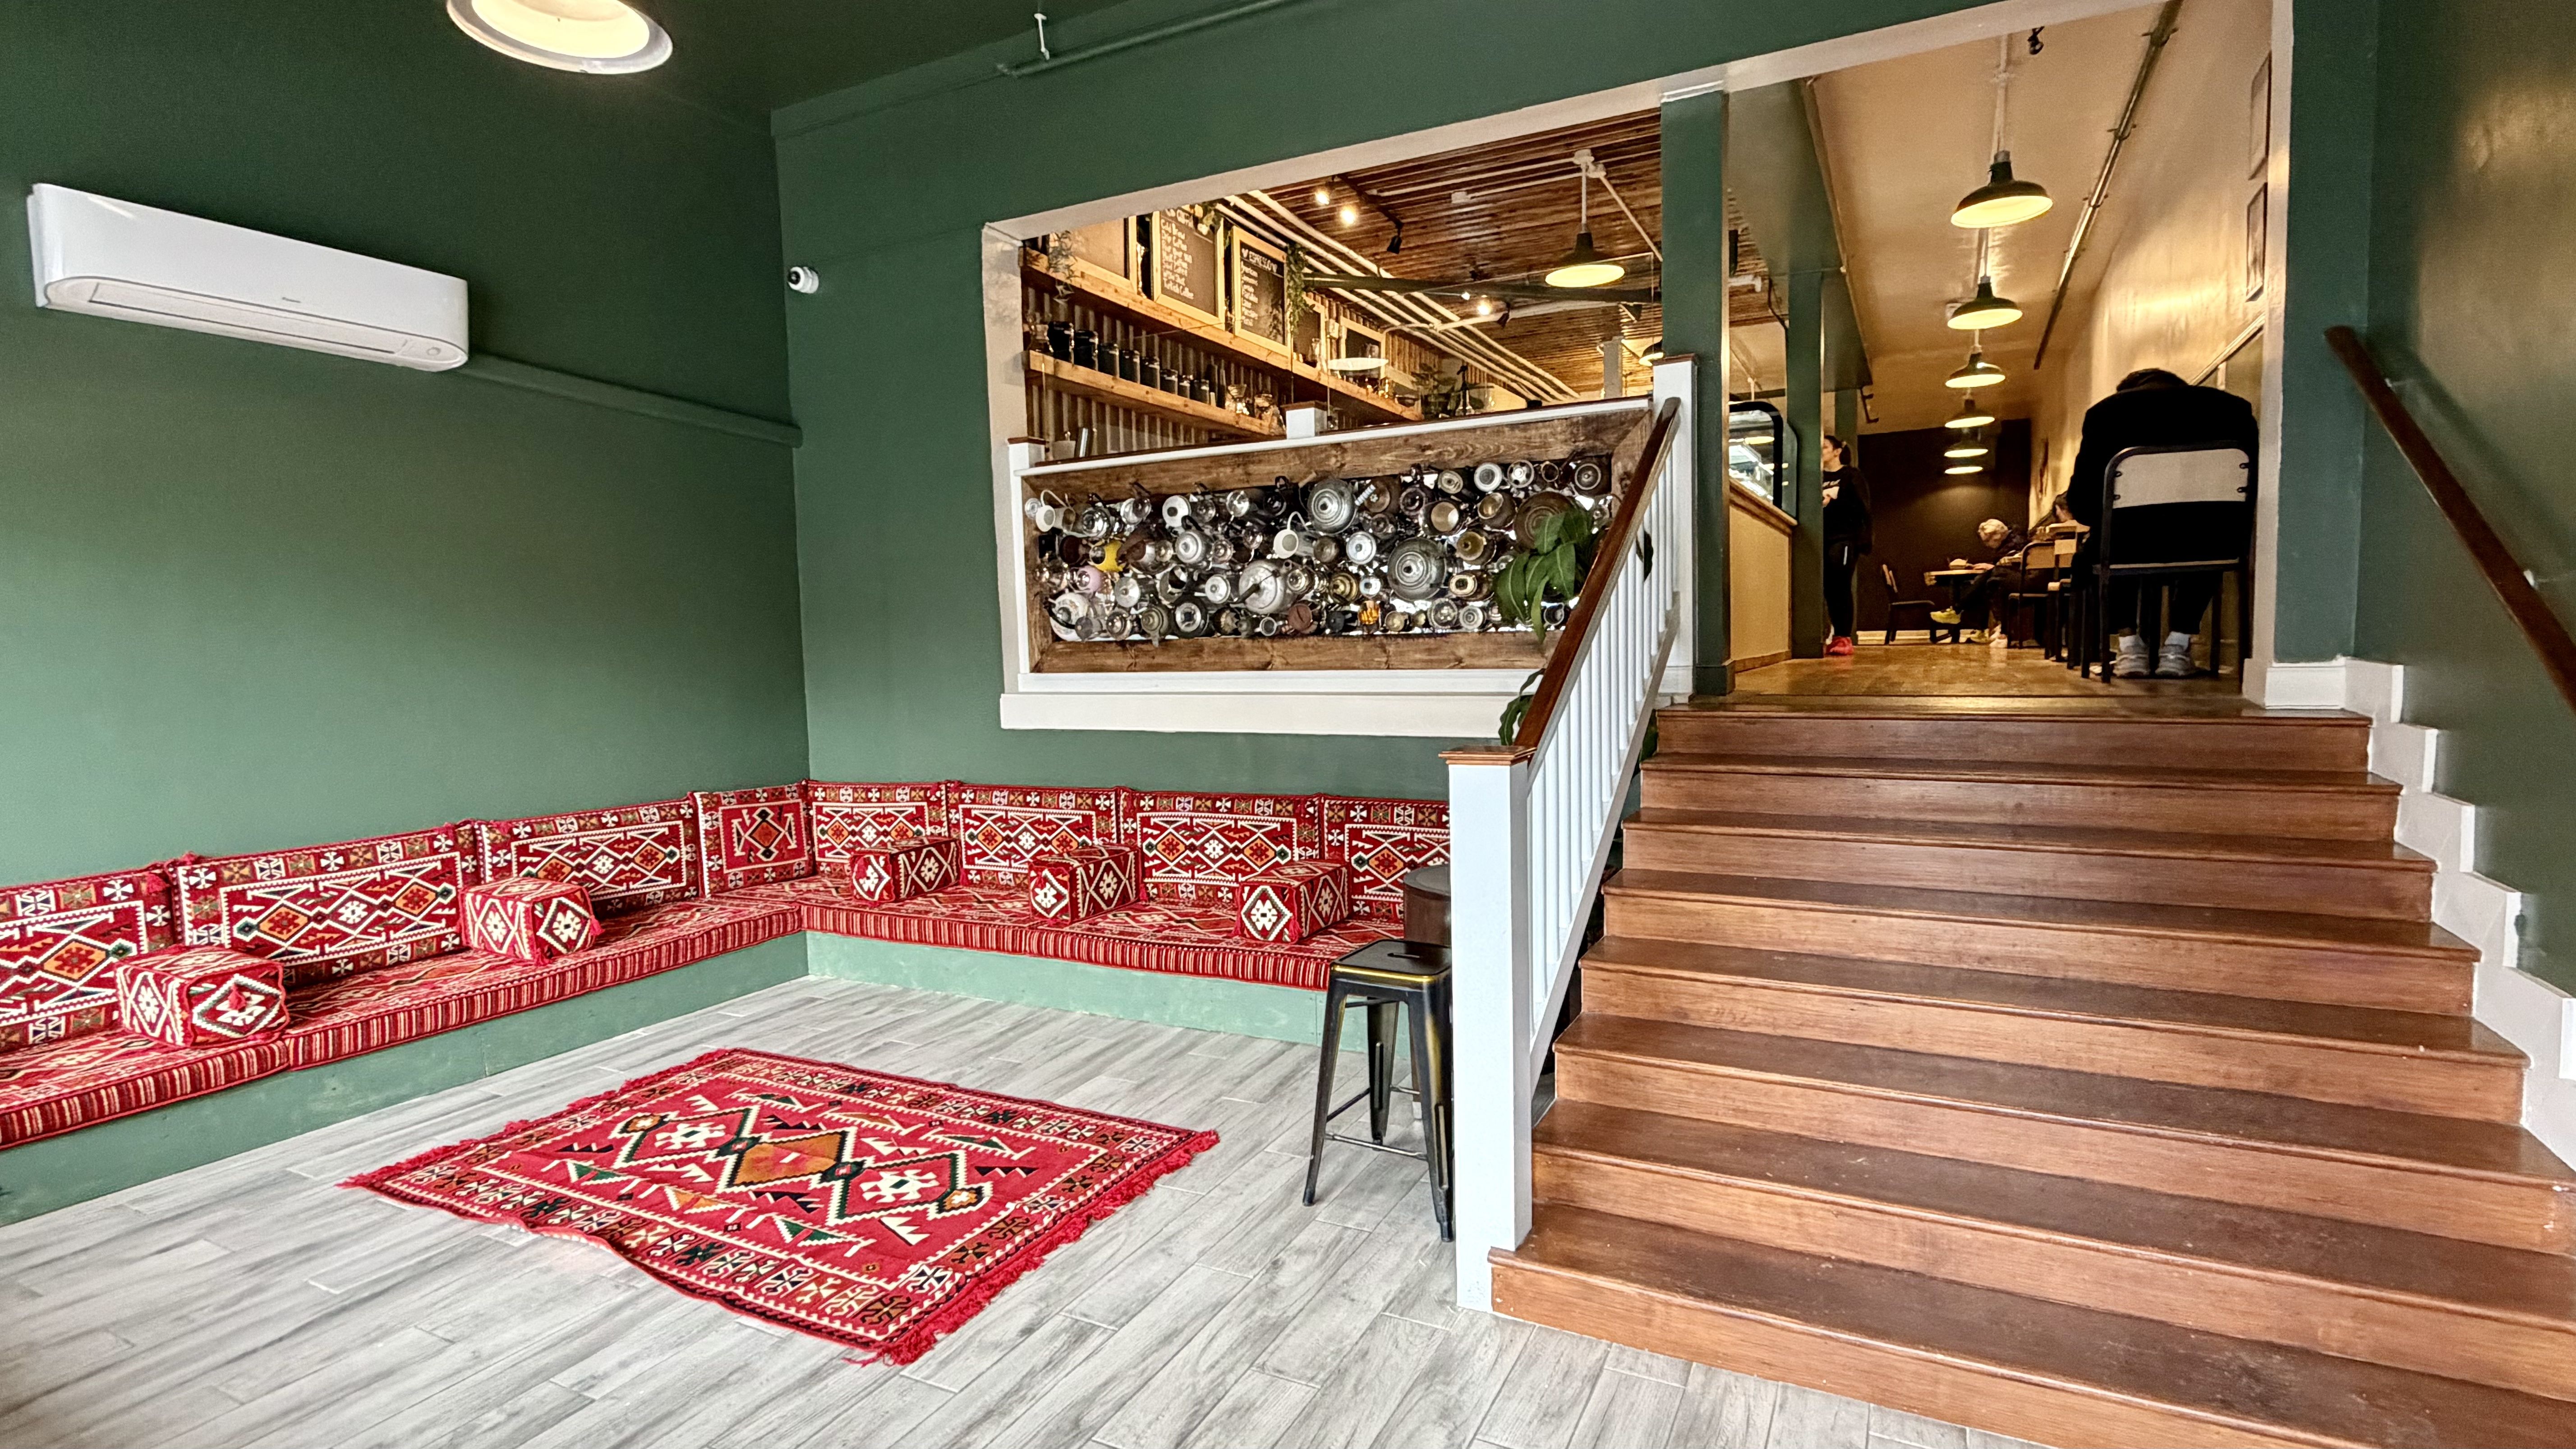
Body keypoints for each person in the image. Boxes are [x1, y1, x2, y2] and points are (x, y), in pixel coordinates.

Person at [2068, 368, 2259, 678]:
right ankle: (2178, 646)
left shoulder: (2106, 413)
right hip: (2209, 541)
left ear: (2127, 391)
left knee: (2111, 532)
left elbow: (2083, 502)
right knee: (2210, 528)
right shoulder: (2232, 409)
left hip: (2128, 542)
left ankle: (2130, 647)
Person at [1942, 517, 2032, 647]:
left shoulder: (2016, 543)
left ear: (1996, 536)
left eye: (1987, 541)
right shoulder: (2011, 541)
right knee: (1985, 581)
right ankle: (1964, 615)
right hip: (2009, 575)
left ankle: (1958, 610)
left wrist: (1992, 567)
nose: (1987, 545)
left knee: (1988, 582)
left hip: (2018, 577)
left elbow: (2012, 564)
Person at [1820, 435, 1872, 657]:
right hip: (1822, 538)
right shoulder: (1816, 477)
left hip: (1845, 538)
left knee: (1840, 585)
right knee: (1828, 589)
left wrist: (1835, 498)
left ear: (1837, 451)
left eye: (1824, 447)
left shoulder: (1851, 475)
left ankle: (1844, 637)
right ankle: (1834, 635)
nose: (1820, 451)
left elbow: (1862, 507)